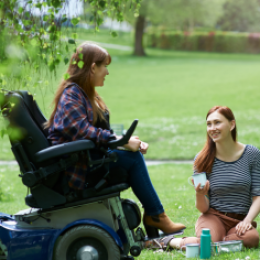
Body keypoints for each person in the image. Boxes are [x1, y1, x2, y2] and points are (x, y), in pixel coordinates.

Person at [45, 42, 186, 236]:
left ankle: (155, 217)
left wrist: (124, 141)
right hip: (76, 169)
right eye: (105, 67)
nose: (107, 73)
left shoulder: (84, 93)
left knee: (132, 156)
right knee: (134, 160)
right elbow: (82, 131)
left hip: (87, 159)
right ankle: (156, 216)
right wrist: (122, 141)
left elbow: (96, 132)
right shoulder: (72, 95)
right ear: (93, 67)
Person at [148, 106, 260, 249]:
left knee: (252, 239)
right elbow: (203, 208)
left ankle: (213, 245)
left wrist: (248, 220)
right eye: (209, 124)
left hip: (240, 220)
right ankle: (167, 241)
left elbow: (258, 195)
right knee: (206, 243)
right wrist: (199, 194)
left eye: (217, 122)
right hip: (214, 217)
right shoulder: (202, 159)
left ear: (232, 124)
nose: (212, 128)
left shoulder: (252, 154)